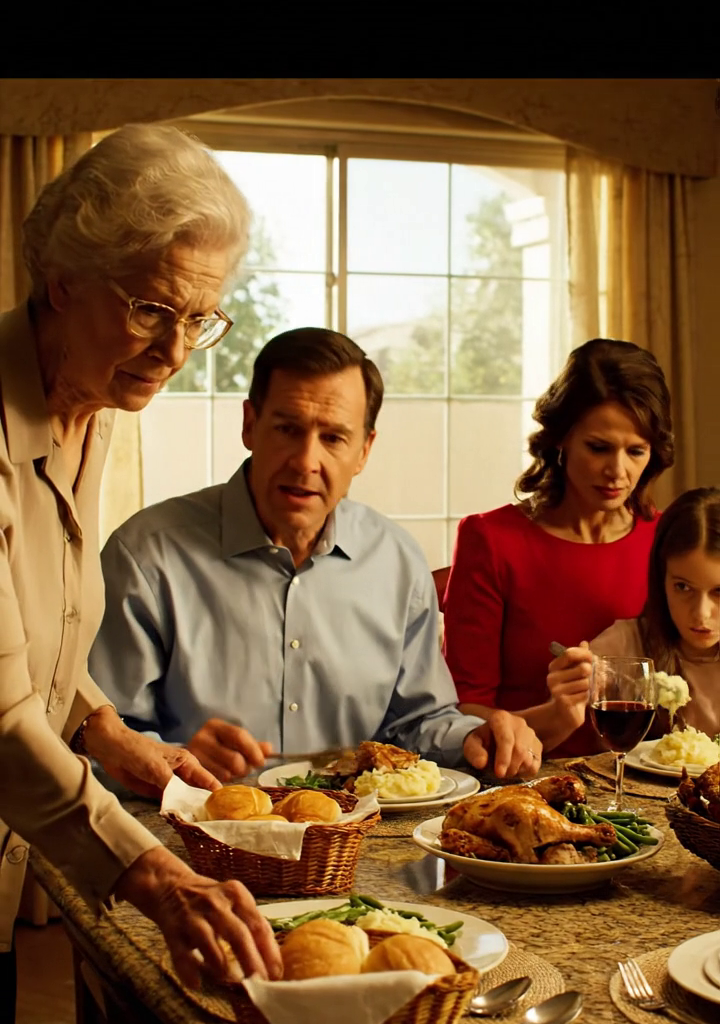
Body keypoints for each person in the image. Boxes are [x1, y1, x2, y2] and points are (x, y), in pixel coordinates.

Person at [0, 125, 284, 1024]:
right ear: (59, 276)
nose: (172, 349)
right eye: (150, 307)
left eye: (199, 318)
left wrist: (117, 737)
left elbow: (40, 644)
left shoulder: (93, 399)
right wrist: (155, 874)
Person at [89, 327, 542, 788]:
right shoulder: (146, 556)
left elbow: (416, 723)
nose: (306, 461)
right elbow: (93, 737)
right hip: (198, 837)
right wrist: (175, 758)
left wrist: (477, 737)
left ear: (364, 450)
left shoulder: (396, 561)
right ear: (249, 425)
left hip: (354, 842)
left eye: (333, 438)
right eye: (288, 429)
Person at [442, 338, 675, 757]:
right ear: (560, 439)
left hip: (643, 782)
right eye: (598, 447)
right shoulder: (491, 540)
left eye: (636, 451)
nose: (617, 471)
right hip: (521, 783)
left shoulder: (668, 540)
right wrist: (556, 714)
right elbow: (461, 712)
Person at [545, 487, 720, 745]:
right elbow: (542, 743)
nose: (701, 613)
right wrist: (563, 706)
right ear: (661, 579)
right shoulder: (622, 648)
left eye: (719, 591)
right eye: (683, 587)